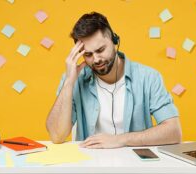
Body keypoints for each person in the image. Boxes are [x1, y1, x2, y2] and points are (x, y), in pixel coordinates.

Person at [46, 12, 182, 149]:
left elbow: (174, 131)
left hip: (136, 165)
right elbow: (57, 136)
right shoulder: (74, 79)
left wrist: (120, 140)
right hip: (91, 165)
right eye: (88, 54)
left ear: (114, 41)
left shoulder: (148, 77)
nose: (96, 59)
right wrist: (69, 82)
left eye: (100, 50)